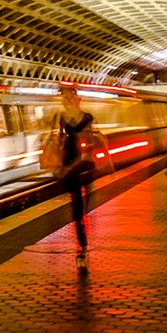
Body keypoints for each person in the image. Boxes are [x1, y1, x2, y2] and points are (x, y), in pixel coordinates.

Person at [54, 86, 96, 271]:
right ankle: (82, 249)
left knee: (80, 211)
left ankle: (83, 249)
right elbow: (60, 140)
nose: (65, 100)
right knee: (76, 212)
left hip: (82, 168)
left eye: (67, 97)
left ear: (76, 98)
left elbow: (85, 149)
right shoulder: (61, 117)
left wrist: (67, 168)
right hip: (68, 167)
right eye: (63, 97)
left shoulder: (87, 118)